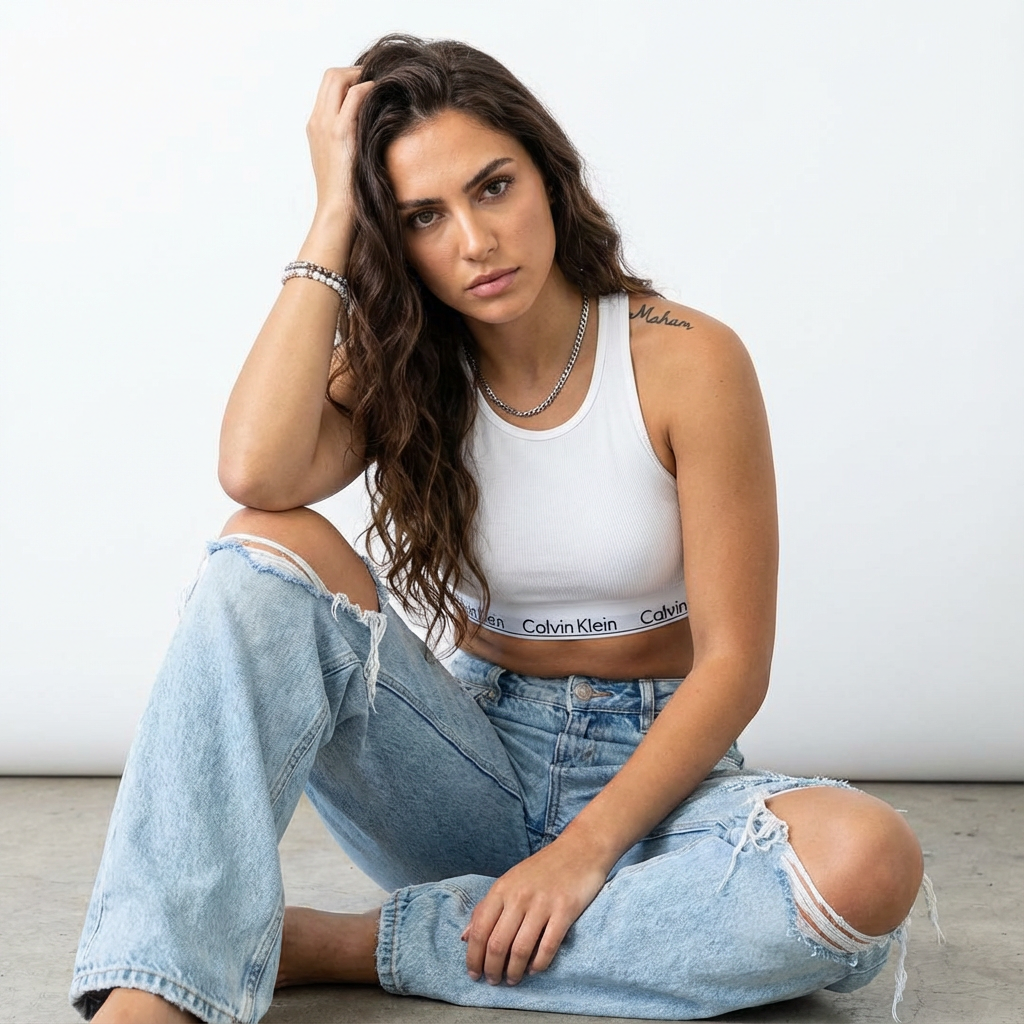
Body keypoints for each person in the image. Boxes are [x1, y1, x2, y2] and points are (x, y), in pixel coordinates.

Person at [70, 33, 939, 1024]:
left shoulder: (685, 360)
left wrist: (581, 855)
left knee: (869, 863)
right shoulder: (407, 368)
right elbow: (256, 473)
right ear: (393, 243)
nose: (474, 241)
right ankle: (156, 992)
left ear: (548, 177)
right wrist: (327, 221)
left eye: (492, 188)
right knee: (261, 551)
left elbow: (735, 665)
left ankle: (357, 944)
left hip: (659, 775)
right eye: (423, 218)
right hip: (466, 765)